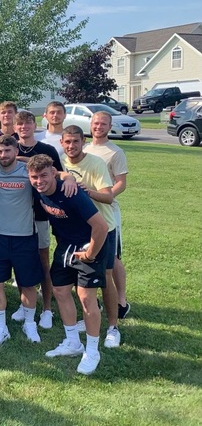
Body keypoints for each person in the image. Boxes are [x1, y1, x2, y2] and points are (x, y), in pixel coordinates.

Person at [0, 135, 73, 345]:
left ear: (16, 151)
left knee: (28, 285)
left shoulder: (29, 173)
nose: (3, 155)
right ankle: (0, 328)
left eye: (8, 151)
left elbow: (53, 173)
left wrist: (68, 177)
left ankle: (30, 323)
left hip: (24, 237)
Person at [27, 154, 108, 375]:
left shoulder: (71, 193)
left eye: (44, 175)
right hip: (66, 246)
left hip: (90, 244)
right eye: (34, 177)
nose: (39, 181)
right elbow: (22, 160)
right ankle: (73, 342)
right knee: (60, 291)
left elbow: (101, 226)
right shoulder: (39, 189)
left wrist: (90, 254)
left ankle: (92, 351)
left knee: (86, 298)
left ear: (53, 173)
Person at [60, 125, 121, 349]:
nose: (71, 146)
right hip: (77, 230)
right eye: (67, 142)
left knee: (105, 277)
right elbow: (46, 168)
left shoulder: (95, 163)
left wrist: (87, 192)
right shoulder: (61, 161)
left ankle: (113, 327)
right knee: (81, 280)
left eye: (75, 141)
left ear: (83, 142)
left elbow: (108, 197)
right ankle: (89, 315)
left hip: (103, 226)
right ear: (61, 143)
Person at [11, 110, 62, 328]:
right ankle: (24, 305)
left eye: (28, 123)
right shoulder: (10, 148)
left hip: (40, 213)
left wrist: (25, 160)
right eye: (20, 124)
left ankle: (47, 308)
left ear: (35, 125)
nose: (24, 127)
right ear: (15, 127)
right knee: (21, 262)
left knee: (42, 260)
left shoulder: (47, 149)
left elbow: (59, 175)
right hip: (17, 215)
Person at [85, 110, 131, 320]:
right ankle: (93, 299)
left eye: (103, 124)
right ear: (91, 124)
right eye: (96, 123)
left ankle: (121, 301)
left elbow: (121, 182)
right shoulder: (84, 148)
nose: (99, 127)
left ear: (109, 127)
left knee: (112, 257)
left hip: (108, 211)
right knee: (90, 252)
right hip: (87, 211)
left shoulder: (115, 152)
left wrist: (106, 195)